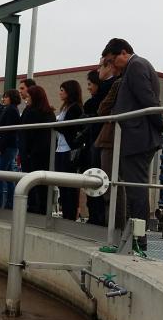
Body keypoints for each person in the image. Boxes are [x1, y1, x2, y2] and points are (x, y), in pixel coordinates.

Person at [101, 38, 163, 250]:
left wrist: (162, 126)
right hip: (136, 136)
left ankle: (139, 240)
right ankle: (133, 237)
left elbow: (148, 100)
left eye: (113, 61)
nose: (113, 66)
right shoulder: (134, 66)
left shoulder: (136, 66)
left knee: (136, 189)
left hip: (139, 138)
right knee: (132, 187)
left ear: (123, 53)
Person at [80, 61, 118, 224]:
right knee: (96, 178)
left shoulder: (110, 87)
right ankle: (97, 216)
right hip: (97, 140)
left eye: (101, 65)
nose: (98, 68)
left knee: (99, 179)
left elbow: (102, 110)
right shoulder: (108, 88)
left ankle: (100, 218)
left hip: (101, 140)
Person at [19, 85, 56, 214]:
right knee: (44, 184)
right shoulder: (49, 112)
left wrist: (26, 152)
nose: (26, 99)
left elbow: (25, 132)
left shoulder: (30, 111)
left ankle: (33, 208)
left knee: (31, 182)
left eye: (28, 96)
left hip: (31, 154)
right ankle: (44, 209)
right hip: (46, 153)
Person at [55, 80, 84, 220]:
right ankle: (66, 213)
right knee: (61, 184)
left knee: (69, 186)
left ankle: (70, 215)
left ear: (69, 91)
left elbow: (69, 128)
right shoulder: (65, 107)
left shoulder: (75, 108)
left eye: (62, 90)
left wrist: (55, 125)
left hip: (69, 149)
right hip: (60, 149)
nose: (60, 92)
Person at [0, 89, 21, 209]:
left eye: (5, 97)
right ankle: (10, 203)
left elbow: (7, 131)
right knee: (9, 177)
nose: (3, 99)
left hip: (7, 147)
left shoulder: (10, 110)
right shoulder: (14, 110)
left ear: (11, 98)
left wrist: (0, 147)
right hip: (11, 146)